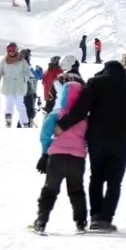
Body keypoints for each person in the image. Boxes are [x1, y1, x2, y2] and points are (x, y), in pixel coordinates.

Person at [53, 55, 126, 232]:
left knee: (97, 177)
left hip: (97, 139)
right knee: (115, 181)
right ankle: (106, 219)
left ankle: (95, 217)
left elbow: (82, 109)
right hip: (121, 140)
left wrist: (62, 125)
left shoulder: (95, 83)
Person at [32, 73, 89, 235]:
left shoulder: (56, 114)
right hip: (78, 159)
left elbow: (44, 135)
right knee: (77, 190)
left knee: (50, 189)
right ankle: (80, 223)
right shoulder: (84, 118)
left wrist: (45, 153)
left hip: (57, 157)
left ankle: (41, 221)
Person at [0, 43, 32, 128]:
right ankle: (8, 120)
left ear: (16, 50)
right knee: (9, 103)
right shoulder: (4, 61)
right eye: (10, 51)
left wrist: (27, 76)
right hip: (8, 86)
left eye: (13, 51)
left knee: (20, 105)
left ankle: (25, 122)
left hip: (19, 86)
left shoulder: (22, 60)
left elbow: (27, 70)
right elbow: (0, 69)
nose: (12, 53)